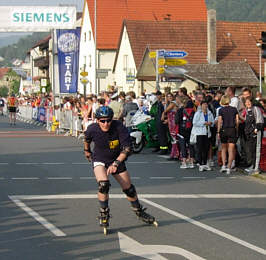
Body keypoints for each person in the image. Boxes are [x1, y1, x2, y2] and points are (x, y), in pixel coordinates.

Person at [83, 106, 156, 233]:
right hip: (100, 159)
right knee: (103, 185)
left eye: (108, 120)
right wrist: (87, 151)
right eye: (102, 121)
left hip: (117, 159)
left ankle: (139, 211)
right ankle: (104, 214)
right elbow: (87, 139)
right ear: (97, 120)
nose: (106, 124)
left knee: (129, 189)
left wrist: (116, 163)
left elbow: (127, 148)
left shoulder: (118, 127)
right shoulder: (92, 129)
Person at [241, 97, 264, 173]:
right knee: (251, 150)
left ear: (252, 102)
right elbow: (246, 121)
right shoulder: (247, 110)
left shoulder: (256, 109)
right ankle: (253, 166)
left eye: (249, 102)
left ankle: (256, 168)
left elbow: (260, 120)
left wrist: (256, 129)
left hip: (256, 133)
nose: (248, 103)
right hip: (249, 133)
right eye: (246, 102)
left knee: (256, 150)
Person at [217, 95, 239, 175]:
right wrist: (236, 129)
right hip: (232, 129)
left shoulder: (221, 110)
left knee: (223, 149)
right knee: (231, 150)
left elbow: (219, 121)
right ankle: (229, 167)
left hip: (224, 129)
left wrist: (218, 132)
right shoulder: (234, 109)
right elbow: (237, 121)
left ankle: (223, 165)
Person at [192, 100, 214, 171]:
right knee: (200, 148)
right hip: (200, 133)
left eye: (206, 104)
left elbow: (212, 122)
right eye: (204, 104)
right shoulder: (198, 113)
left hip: (207, 133)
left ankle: (205, 163)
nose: (205, 106)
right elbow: (194, 123)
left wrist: (210, 123)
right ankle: (200, 164)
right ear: (201, 106)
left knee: (206, 148)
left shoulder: (209, 113)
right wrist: (204, 123)